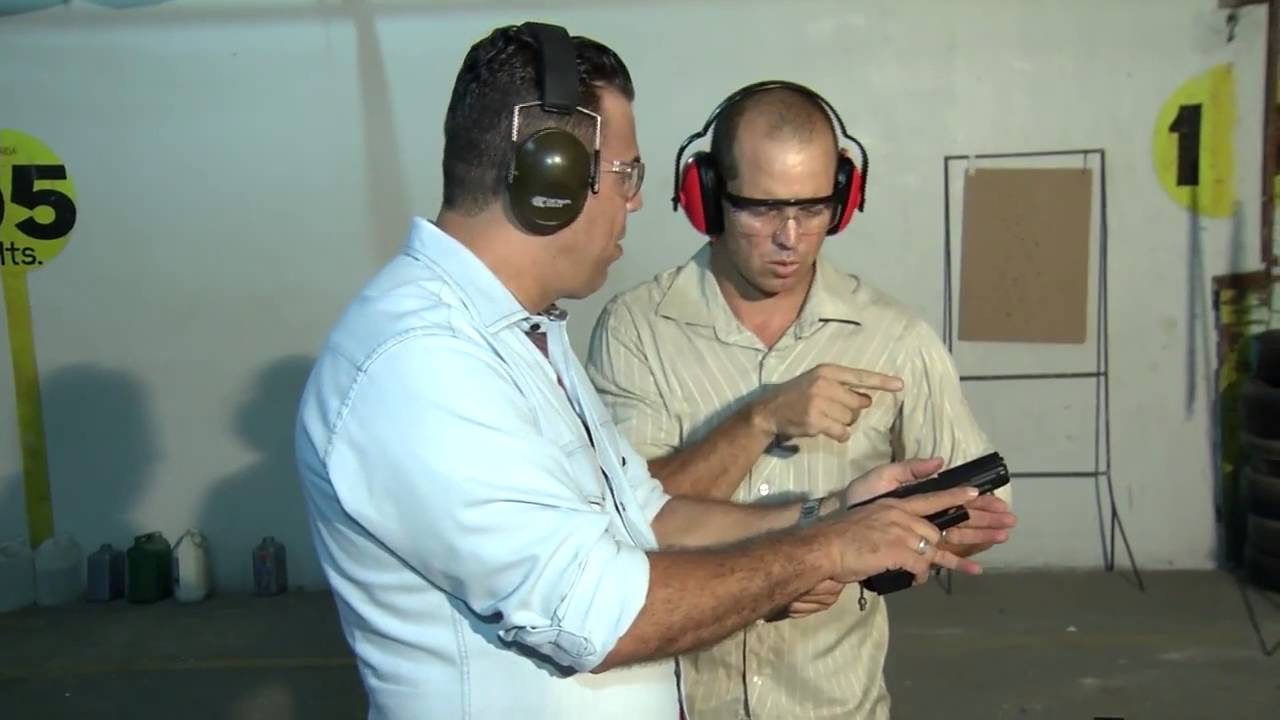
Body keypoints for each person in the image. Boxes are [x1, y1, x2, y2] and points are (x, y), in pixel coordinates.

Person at [295, 24, 994, 720]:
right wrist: (822, 550)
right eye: (626, 174)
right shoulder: (423, 364)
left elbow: (646, 515)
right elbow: (600, 614)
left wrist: (833, 512)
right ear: (551, 178)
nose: (634, 201)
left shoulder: (521, 338)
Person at [585, 81, 1018, 719]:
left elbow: (970, 513)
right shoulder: (636, 329)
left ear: (843, 199)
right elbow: (622, 521)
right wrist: (761, 418)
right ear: (707, 194)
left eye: (813, 208)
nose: (790, 237)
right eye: (762, 209)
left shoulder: (896, 339)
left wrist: (936, 533)